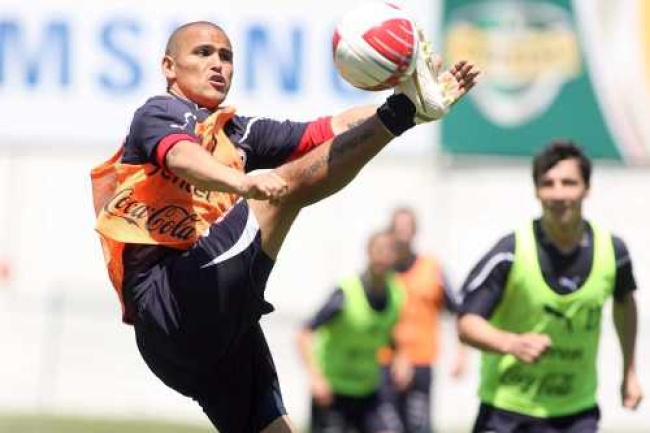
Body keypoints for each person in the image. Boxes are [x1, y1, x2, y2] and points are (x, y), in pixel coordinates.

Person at [90, 20, 479, 433]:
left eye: (226, 56)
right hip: (169, 302)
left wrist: (412, 104)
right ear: (169, 67)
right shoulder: (159, 112)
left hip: (222, 329)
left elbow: (332, 129)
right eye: (203, 53)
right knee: (281, 192)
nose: (218, 64)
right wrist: (241, 182)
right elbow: (182, 157)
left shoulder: (238, 132)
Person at [457, 141, 643, 433]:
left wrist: (629, 371)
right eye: (548, 184)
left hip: (576, 412)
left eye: (569, 183)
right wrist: (511, 343)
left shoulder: (613, 252)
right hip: (507, 411)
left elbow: (624, 303)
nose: (558, 194)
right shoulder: (510, 252)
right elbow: (467, 323)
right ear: (536, 191)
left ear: (587, 189)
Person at [296, 230, 405, 433]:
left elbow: (389, 333)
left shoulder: (397, 293)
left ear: (396, 256)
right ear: (368, 252)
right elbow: (303, 333)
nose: (383, 257)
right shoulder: (346, 292)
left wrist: (401, 358)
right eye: (379, 250)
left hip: (369, 390)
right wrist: (316, 378)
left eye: (389, 251)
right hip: (333, 391)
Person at [379, 207, 467, 433]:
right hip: (385, 362)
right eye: (398, 228)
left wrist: (461, 354)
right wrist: (398, 357)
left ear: (415, 230)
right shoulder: (382, 271)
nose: (403, 234)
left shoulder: (432, 268)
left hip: (421, 361)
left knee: (419, 427)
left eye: (407, 228)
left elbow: (457, 310)